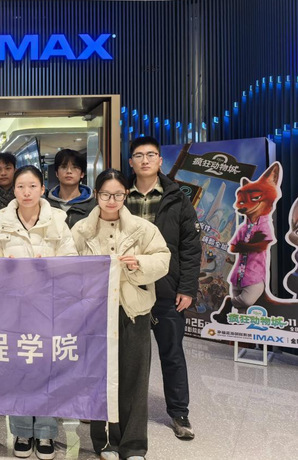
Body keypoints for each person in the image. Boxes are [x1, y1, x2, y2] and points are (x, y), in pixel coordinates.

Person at [71, 168, 171, 460]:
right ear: (96, 195)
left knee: (135, 379)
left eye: (117, 194)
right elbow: (68, 266)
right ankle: (105, 443)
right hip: (95, 313)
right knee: (99, 378)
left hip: (133, 310)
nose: (111, 200)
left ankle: (134, 445)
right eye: (105, 194)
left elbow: (163, 258)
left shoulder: (142, 228)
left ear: (126, 194)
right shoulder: (81, 230)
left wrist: (138, 263)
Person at [0, 165, 77, 460]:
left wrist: (49, 267)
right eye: (21, 186)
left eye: (33, 186)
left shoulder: (58, 220)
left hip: (48, 307)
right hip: (12, 309)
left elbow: (71, 260)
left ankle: (46, 432)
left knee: (47, 370)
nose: (26, 192)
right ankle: (22, 430)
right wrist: (5, 267)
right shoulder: (2, 220)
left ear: (42, 189)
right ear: (14, 190)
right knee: (18, 369)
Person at [126, 136, 201, 441]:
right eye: (138, 155)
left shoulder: (177, 197)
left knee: (171, 353)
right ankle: (125, 408)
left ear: (160, 161)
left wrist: (187, 287)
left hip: (167, 288)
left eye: (151, 155)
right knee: (128, 354)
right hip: (128, 288)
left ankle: (179, 413)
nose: (144, 160)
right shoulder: (120, 195)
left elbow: (191, 246)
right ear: (131, 162)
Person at [46, 148, 96, 228]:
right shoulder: (46, 204)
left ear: (82, 174)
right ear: (56, 173)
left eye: (74, 167)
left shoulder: (93, 206)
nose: (69, 171)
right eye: (64, 167)